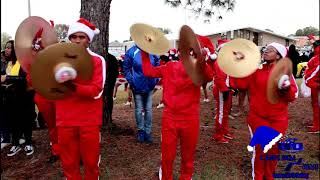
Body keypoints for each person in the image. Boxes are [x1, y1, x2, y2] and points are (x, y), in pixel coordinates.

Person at [141, 42, 213, 179]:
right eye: (182, 49)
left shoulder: (197, 68)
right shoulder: (169, 66)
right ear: (179, 52)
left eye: (189, 50)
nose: (184, 52)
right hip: (171, 118)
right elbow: (148, 71)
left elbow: (209, 76)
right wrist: (145, 52)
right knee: (168, 156)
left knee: (187, 155)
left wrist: (202, 59)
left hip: (189, 118)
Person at [232, 42, 298, 179]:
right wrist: (238, 67)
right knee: (261, 150)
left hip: (278, 119)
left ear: (279, 55)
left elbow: (293, 96)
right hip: (258, 118)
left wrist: (286, 88)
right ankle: (258, 176)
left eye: (271, 50)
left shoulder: (285, 73)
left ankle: (269, 176)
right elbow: (241, 84)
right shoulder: (257, 70)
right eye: (266, 49)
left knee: (273, 150)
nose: (266, 51)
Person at [54, 18, 106, 179]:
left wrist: (72, 86)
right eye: (73, 36)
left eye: (81, 37)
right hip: (65, 120)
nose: (77, 40)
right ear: (69, 38)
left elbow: (96, 91)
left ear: (88, 39)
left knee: (91, 163)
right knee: (69, 164)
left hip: (88, 120)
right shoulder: (58, 60)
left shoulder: (97, 60)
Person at [1, 40, 36, 156]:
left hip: (24, 97)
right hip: (10, 98)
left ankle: (28, 143)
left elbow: (23, 79)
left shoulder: (23, 63)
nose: (6, 49)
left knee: (25, 120)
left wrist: (7, 78)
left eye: (9, 48)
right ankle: (15, 144)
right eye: (6, 48)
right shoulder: (8, 64)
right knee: (13, 121)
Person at [123, 44, 160, 143]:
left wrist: (155, 79)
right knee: (139, 109)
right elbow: (126, 69)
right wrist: (132, 82)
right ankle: (141, 131)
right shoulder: (132, 52)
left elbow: (157, 64)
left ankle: (148, 132)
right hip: (137, 86)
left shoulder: (152, 50)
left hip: (149, 85)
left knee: (148, 109)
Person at [211, 39, 235, 143]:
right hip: (222, 90)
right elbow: (219, 78)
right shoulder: (220, 61)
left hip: (226, 89)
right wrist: (225, 90)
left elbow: (229, 77)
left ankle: (224, 131)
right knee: (221, 113)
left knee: (225, 112)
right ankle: (218, 134)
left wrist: (233, 87)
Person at [304, 40, 319, 133]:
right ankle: (316, 123)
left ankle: (317, 126)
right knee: (315, 104)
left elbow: (316, 70)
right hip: (315, 83)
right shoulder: (316, 55)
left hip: (316, 84)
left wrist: (308, 80)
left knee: (317, 105)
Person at [196, 34, 217, 103]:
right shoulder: (200, 54)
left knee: (203, 85)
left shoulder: (208, 56)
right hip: (202, 72)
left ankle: (208, 97)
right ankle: (205, 97)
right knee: (202, 85)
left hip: (206, 72)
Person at [104, 53, 119, 126]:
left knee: (109, 98)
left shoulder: (111, 58)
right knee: (109, 98)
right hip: (109, 82)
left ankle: (108, 116)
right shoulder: (112, 58)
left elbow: (115, 73)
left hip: (109, 82)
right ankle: (108, 116)